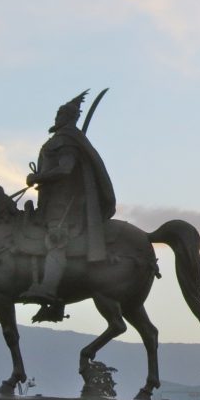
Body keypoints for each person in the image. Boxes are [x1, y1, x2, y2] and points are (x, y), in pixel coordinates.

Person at [21, 91, 116, 305]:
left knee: (56, 240)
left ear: (69, 118)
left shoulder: (65, 141)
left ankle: (49, 288)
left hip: (64, 203)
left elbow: (65, 169)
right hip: (51, 201)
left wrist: (39, 176)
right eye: (57, 113)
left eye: (61, 114)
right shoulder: (62, 138)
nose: (57, 117)